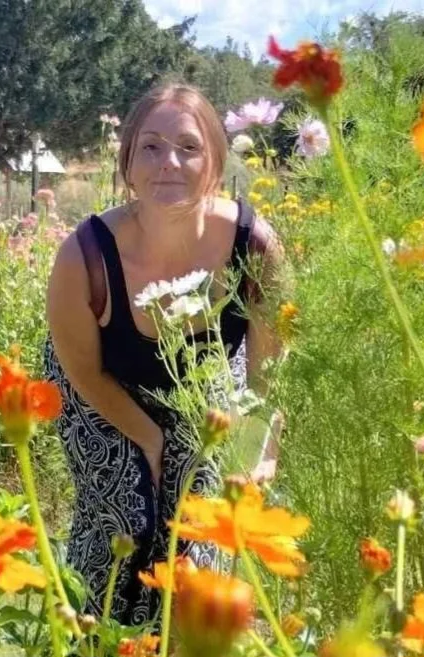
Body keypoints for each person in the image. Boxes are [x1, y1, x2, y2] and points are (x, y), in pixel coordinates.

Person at [43, 82, 285, 625]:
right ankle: (98, 632)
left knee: (198, 541)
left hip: (207, 386)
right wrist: (147, 437)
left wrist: (259, 452)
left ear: (216, 162)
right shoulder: (84, 256)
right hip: (100, 385)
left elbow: (268, 378)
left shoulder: (255, 245)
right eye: (150, 147)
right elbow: (83, 370)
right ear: (128, 163)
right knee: (127, 521)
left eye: (189, 147)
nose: (168, 163)